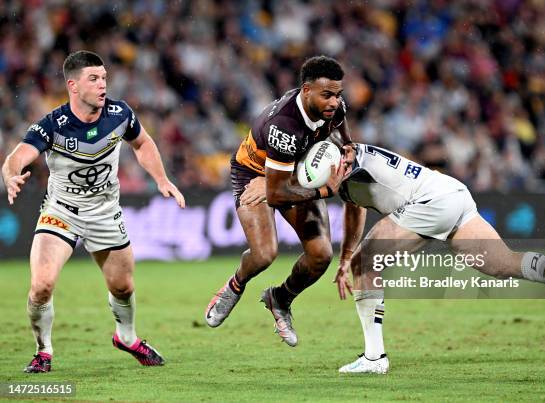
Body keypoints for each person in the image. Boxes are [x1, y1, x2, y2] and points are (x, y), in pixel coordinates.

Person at [330, 143, 545, 374]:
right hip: (451, 192)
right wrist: (344, 256)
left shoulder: (348, 162)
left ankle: (374, 357)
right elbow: (354, 205)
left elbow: (341, 178)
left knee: (364, 263)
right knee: (503, 264)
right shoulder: (347, 160)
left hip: (429, 202)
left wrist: (346, 259)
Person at [1, 50, 185, 373]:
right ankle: (43, 351)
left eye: (104, 78)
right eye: (94, 79)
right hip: (62, 210)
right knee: (41, 284)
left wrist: (161, 178)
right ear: (73, 85)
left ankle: (126, 338)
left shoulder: (119, 114)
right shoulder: (53, 125)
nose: (103, 85)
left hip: (104, 211)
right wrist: (10, 173)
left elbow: (142, 144)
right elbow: (18, 155)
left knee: (123, 287)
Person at [204, 56, 351, 347]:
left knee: (320, 255)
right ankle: (235, 285)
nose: (334, 102)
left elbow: (343, 136)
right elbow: (276, 193)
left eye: (337, 94)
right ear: (306, 91)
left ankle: (280, 298)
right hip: (254, 174)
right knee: (264, 254)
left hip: (290, 170)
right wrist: (324, 192)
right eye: (327, 95)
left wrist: (348, 149)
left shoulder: (334, 108)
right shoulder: (285, 125)